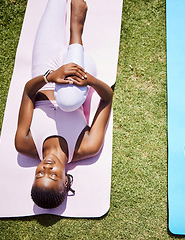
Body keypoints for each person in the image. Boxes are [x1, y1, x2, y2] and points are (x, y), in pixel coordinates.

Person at [14, 0, 113, 209]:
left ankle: (74, 29)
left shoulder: (25, 144)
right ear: (66, 181)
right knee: (69, 101)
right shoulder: (86, 147)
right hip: (79, 72)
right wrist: (90, 81)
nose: (46, 168)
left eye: (40, 173)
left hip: (47, 72)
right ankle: (76, 29)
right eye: (54, 175)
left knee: (54, 3)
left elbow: (28, 92)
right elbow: (107, 98)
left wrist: (50, 76)